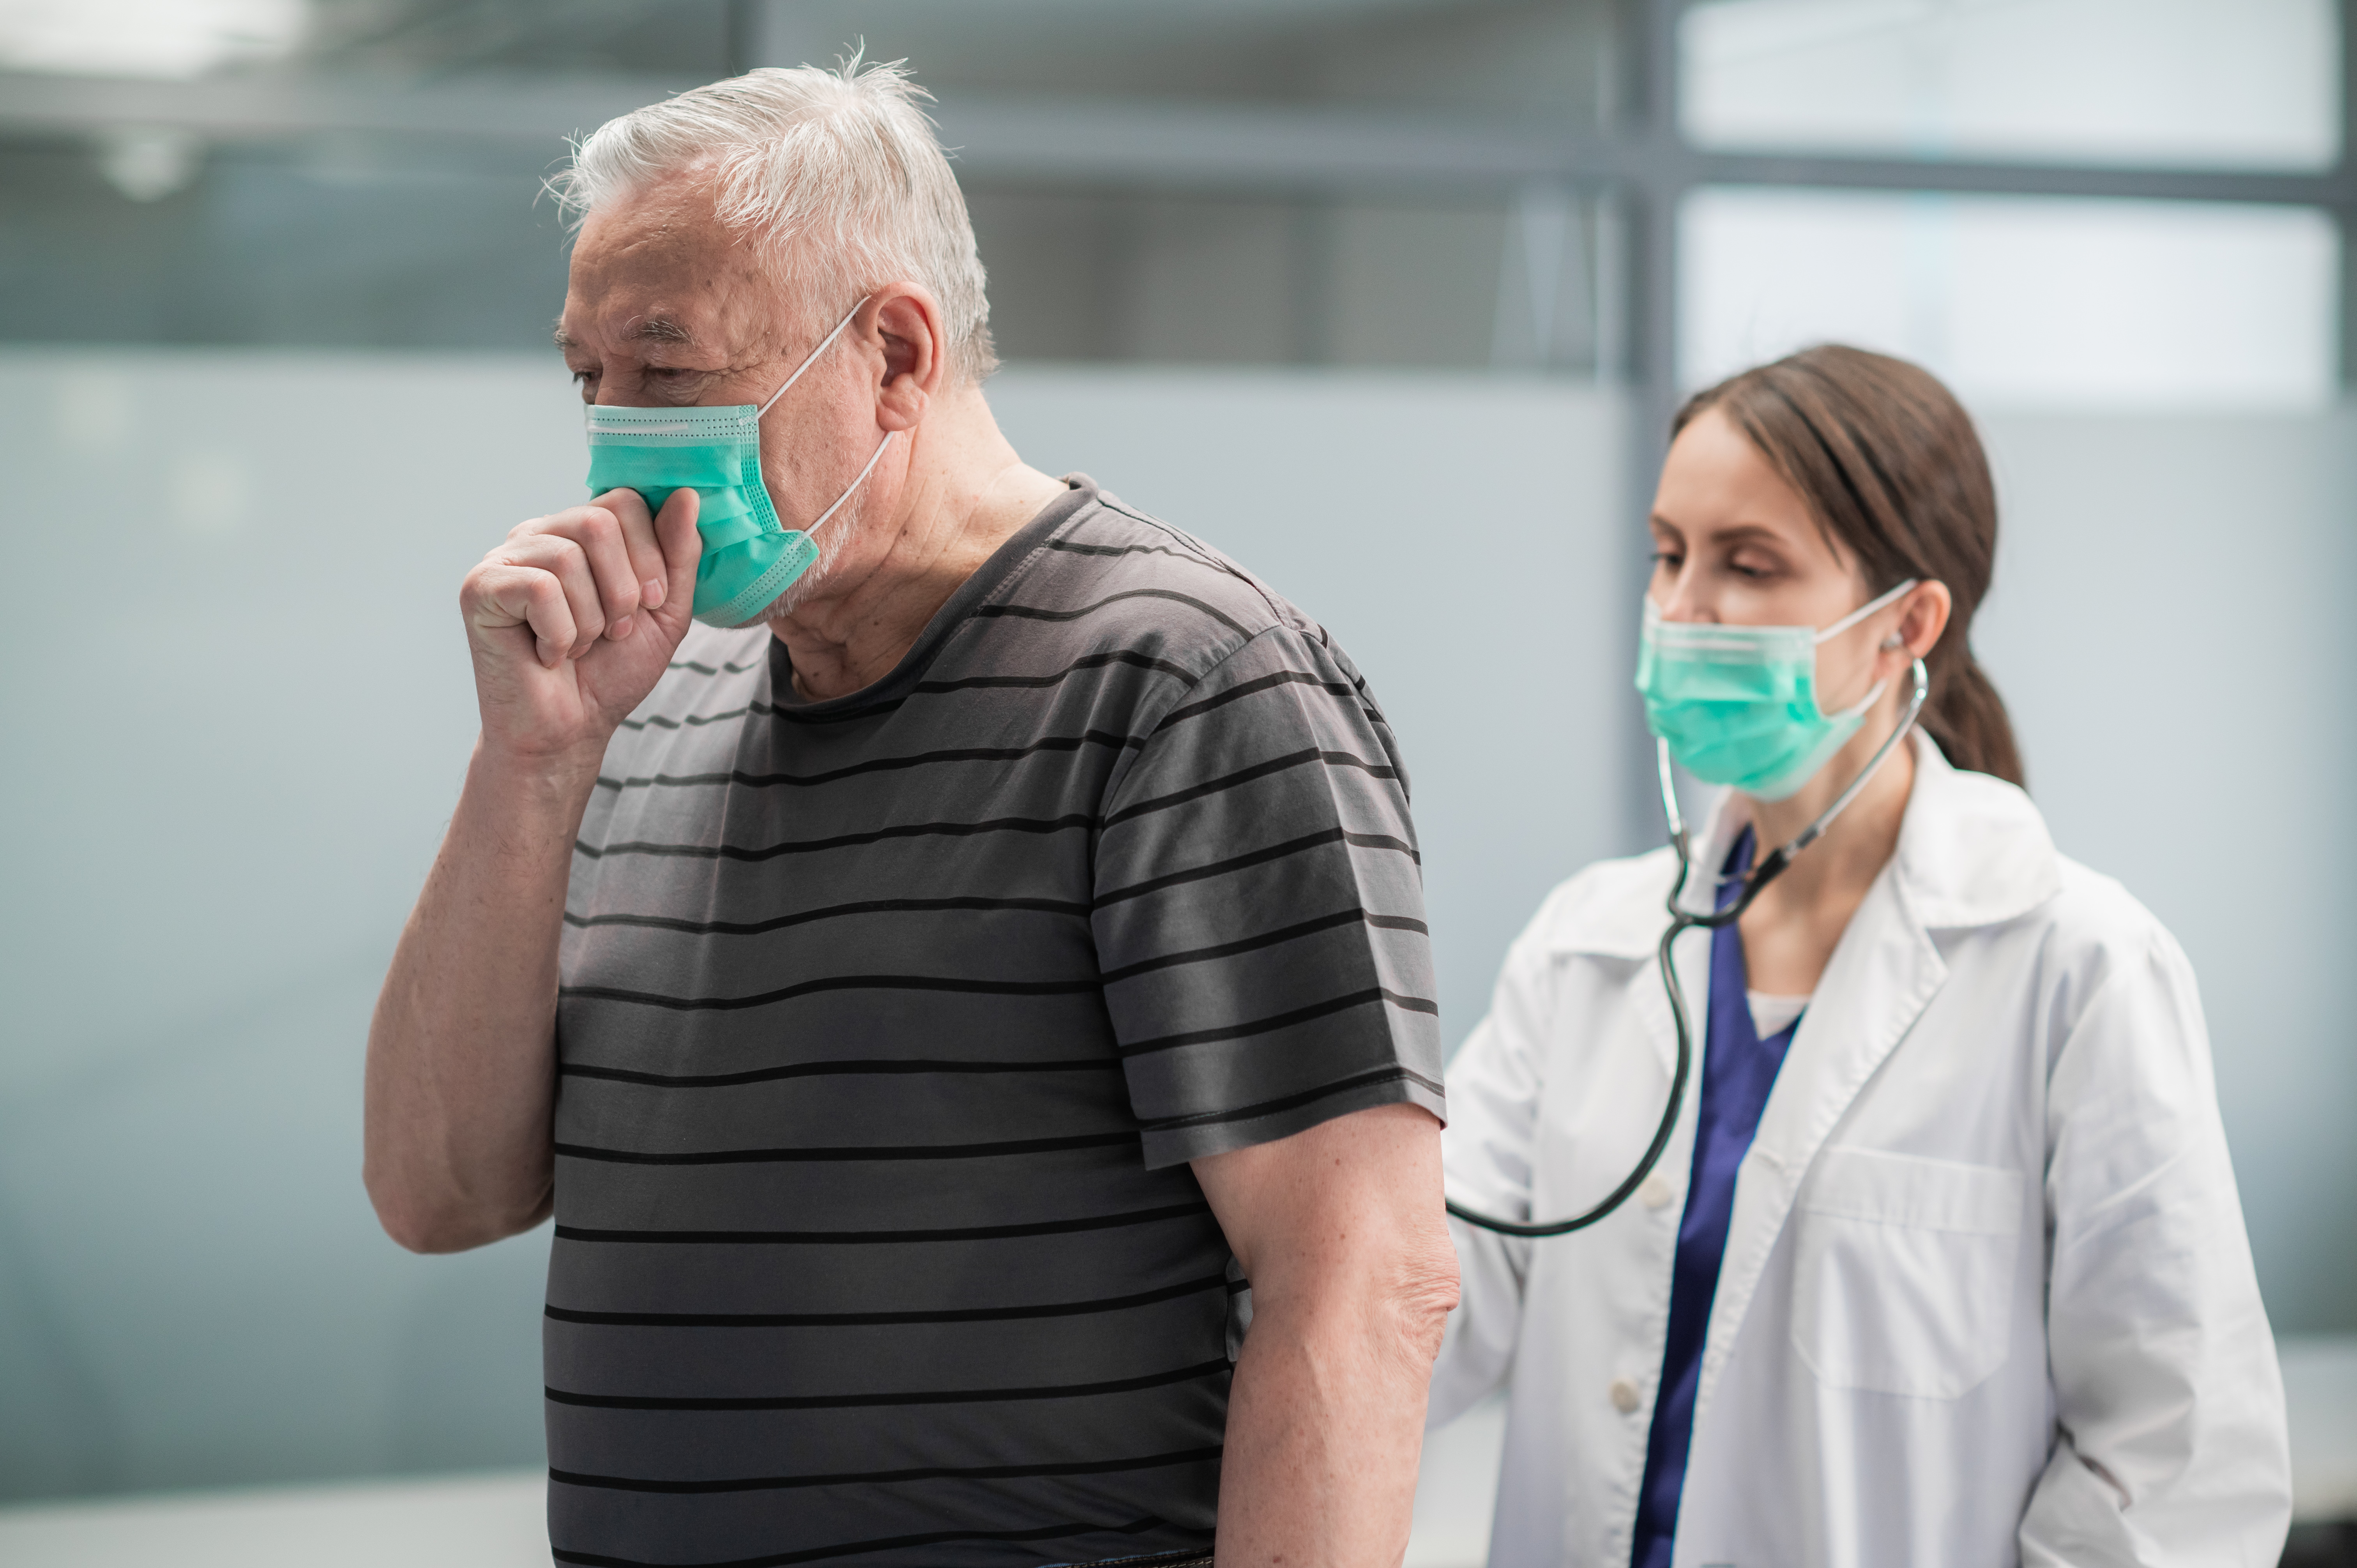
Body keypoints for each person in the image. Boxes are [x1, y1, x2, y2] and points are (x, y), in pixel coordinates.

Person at [362, 59, 1456, 1568]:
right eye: (588, 377)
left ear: (893, 350)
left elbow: (1365, 1277)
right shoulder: (646, 703)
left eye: (669, 372)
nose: (614, 437)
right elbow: (439, 1191)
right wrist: (530, 764)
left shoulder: (1183, 679)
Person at [1431, 345, 2292, 1567]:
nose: (1683, 610)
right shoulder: (1589, 948)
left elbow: (2179, 1470)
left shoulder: (2078, 971)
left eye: (1750, 564)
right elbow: (1427, 1301)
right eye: (1668, 556)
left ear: (1907, 624)